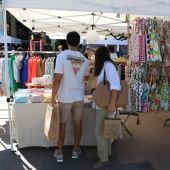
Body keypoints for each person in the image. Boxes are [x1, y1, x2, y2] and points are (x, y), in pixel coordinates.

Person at [51, 31, 89, 163]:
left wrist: (52, 97)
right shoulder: (84, 59)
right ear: (79, 42)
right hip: (79, 96)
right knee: (78, 122)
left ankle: (60, 152)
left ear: (66, 42)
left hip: (65, 96)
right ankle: (75, 149)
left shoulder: (62, 56)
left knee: (62, 124)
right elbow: (86, 78)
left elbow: (57, 80)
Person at [92, 46, 121, 169]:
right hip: (103, 103)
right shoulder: (105, 66)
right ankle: (105, 152)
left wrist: (112, 103)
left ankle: (103, 158)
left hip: (105, 104)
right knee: (105, 130)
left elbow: (115, 85)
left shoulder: (108, 66)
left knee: (99, 132)